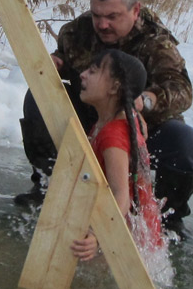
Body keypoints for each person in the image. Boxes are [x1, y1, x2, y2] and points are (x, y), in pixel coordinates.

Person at [18, 0, 193, 227]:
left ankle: (168, 218)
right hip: (91, 116)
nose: (103, 24)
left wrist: (144, 101)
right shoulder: (78, 30)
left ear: (135, 10)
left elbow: (181, 90)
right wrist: (55, 63)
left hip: (142, 127)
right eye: (97, 15)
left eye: (112, 17)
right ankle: (47, 185)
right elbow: (65, 58)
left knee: (185, 144)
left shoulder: (156, 43)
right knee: (40, 97)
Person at [69, 49, 165, 264]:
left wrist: (96, 236)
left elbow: (121, 196)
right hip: (139, 234)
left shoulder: (113, 136)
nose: (83, 75)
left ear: (114, 88)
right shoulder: (117, 120)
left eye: (93, 71)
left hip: (130, 243)